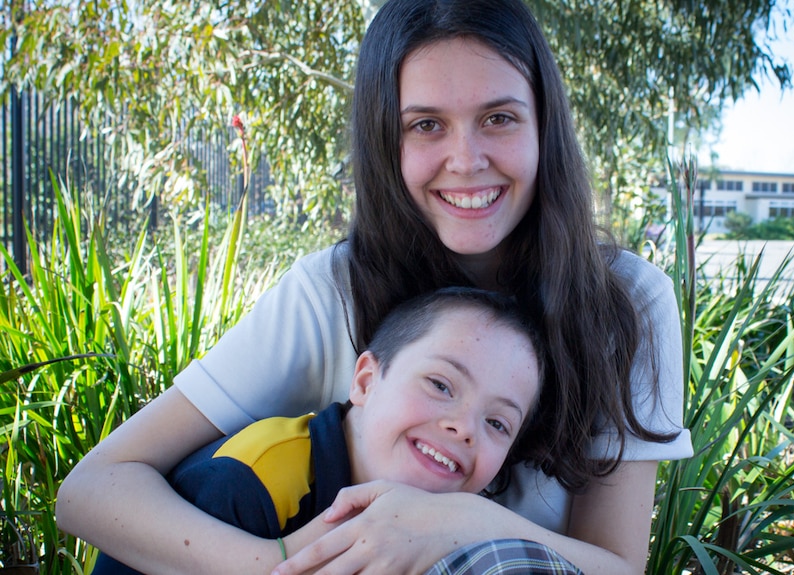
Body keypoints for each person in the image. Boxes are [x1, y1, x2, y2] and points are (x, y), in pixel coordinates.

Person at [56, 0, 694, 573]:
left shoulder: (626, 304)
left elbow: (617, 565)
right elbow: (94, 489)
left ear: (544, 127)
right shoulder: (328, 292)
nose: (467, 159)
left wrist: (463, 521)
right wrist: (280, 564)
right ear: (385, 139)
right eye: (426, 125)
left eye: (499, 117)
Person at [91, 287, 561, 573]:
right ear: (365, 381)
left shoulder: (452, 524)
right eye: (441, 384)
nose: (464, 427)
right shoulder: (254, 480)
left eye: (498, 422)